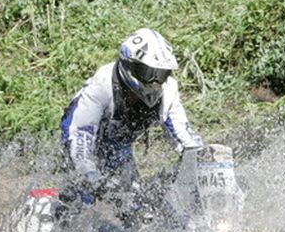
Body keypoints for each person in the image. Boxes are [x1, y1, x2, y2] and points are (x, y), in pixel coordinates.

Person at [60, 28, 203, 202]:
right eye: (150, 74)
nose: (155, 82)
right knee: (83, 198)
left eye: (161, 75)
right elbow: (79, 135)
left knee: (138, 206)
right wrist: (91, 176)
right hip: (81, 142)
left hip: (120, 150)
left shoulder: (168, 90)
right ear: (130, 66)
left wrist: (204, 163)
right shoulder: (101, 86)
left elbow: (186, 139)